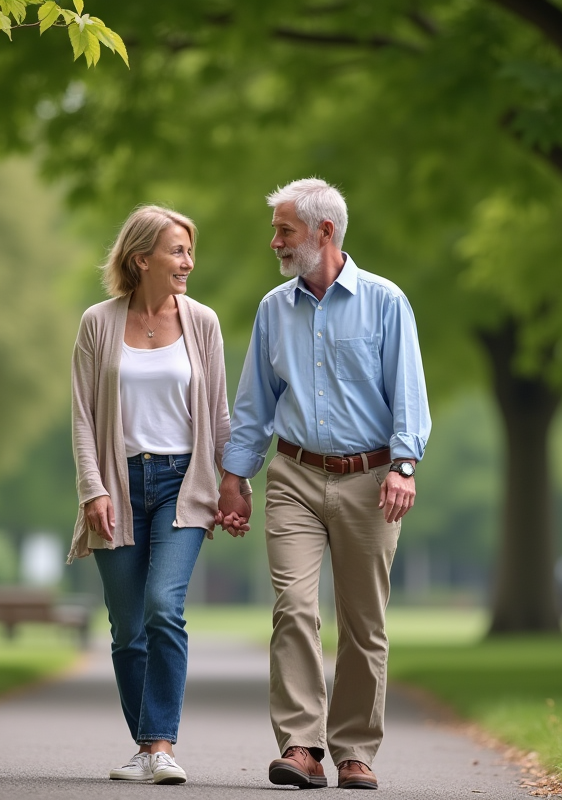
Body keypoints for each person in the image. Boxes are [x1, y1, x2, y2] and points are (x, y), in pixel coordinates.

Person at [217, 178, 431, 791]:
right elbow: (254, 403)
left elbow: (409, 396)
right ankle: (301, 745)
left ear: (324, 232)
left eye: (284, 230)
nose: (274, 242)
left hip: (370, 479)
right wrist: (235, 477)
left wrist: (404, 465)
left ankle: (356, 751)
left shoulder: (387, 302)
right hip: (294, 476)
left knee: (364, 621)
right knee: (293, 608)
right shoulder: (271, 309)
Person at [68, 205, 251, 785]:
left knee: (163, 607)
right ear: (140, 257)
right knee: (127, 628)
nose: (188, 262)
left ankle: (160, 744)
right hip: (118, 485)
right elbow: (80, 417)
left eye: (189, 251)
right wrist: (92, 489)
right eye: (177, 251)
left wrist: (233, 483)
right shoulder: (98, 322)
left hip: (183, 482)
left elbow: (219, 413)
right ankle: (146, 747)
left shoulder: (203, 322)